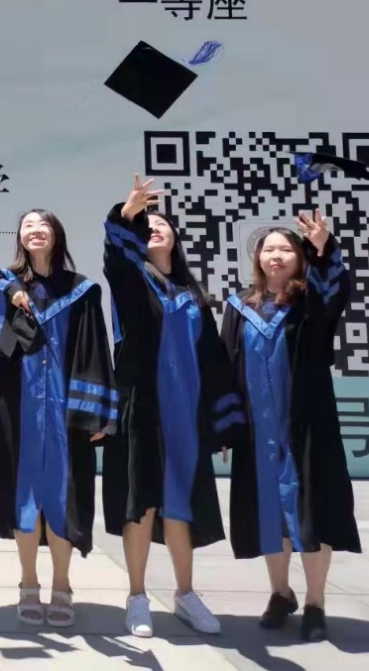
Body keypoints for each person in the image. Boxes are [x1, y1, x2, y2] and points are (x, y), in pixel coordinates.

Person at [102, 175, 244, 638]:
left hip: (187, 412)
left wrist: (223, 426)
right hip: (142, 408)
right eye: (148, 226)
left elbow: (215, 363)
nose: (155, 228)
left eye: (162, 224)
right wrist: (128, 215)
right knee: (140, 504)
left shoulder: (192, 294)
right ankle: (137, 598)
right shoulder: (133, 281)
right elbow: (116, 257)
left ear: (177, 239)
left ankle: (186, 594)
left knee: (182, 504)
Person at [0, 210, 116, 628]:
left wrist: (99, 414)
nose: (35, 231)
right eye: (27, 226)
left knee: (63, 497)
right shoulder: (5, 283)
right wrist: (12, 289)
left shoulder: (80, 290)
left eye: (43, 225)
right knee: (25, 497)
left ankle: (62, 585)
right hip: (19, 409)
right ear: (20, 237)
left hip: (65, 411)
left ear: (56, 234)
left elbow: (95, 351)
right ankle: (29, 583)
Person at [220, 211, 359, 642]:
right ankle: (281, 593)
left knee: (313, 514)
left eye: (285, 249)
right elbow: (226, 367)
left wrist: (325, 249)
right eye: (268, 249)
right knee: (269, 516)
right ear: (257, 258)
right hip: (257, 433)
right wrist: (226, 428)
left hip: (306, 430)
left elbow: (335, 288)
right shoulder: (240, 306)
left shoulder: (312, 302)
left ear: (299, 258)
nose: (276, 255)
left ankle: (316, 602)